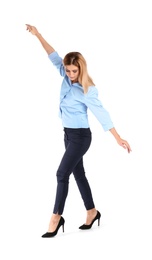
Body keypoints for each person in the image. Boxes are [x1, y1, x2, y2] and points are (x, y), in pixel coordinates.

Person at [26, 24, 132, 238]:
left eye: (75, 71)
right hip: (68, 134)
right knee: (78, 174)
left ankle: (56, 217)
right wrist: (38, 35)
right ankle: (92, 211)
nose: (71, 74)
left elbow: (102, 113)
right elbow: (53, 55)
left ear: (81, 69)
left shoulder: (87, 89)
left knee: (61, 173)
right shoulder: (64, 75)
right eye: (68, 70)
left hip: (81, 137)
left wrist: (117, 137)